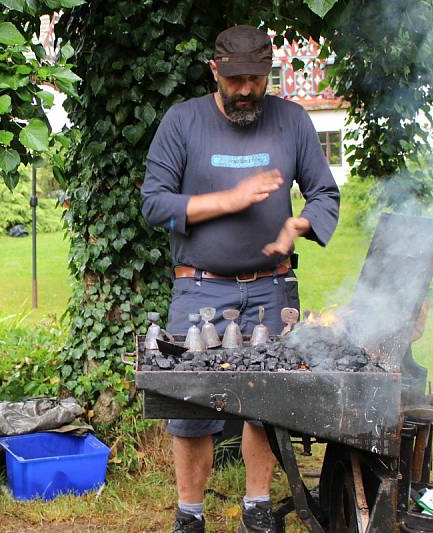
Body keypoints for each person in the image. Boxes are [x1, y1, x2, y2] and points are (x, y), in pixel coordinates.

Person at [140, 25, 340, 533]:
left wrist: (299, 223)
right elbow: (154, 204)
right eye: (236, 79)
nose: (246, 89)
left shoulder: (293, 121)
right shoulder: (183, 121)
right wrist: (228, 201)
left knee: (266, 404)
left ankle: (256, 506)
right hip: (199, 287)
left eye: (255, 78)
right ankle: (190, 514)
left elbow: (324, 195)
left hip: (273, 286)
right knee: (190, 406)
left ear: (268, 73)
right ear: (216, 70)